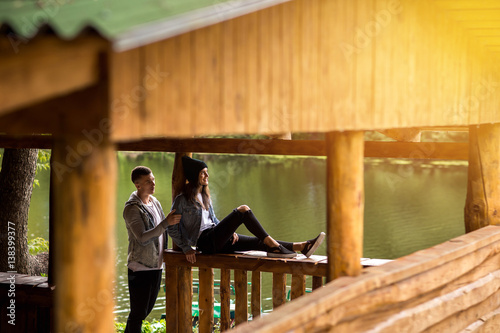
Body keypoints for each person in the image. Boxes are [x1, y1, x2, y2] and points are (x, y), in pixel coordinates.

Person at [168, 156, 325, 263]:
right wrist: (186, 248)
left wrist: (229, 231)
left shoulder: (205, 197)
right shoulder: (182, 201)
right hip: (205, 242)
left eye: (206, 172)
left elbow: (214, 221)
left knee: (258, 241)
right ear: (194, 175)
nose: (207, 175)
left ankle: (302, 246)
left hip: (216, 237)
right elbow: (171, 228)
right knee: (243, 210)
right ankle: (274, 245)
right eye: (203, 173)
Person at [123, 166, 181, 333]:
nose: (153, 183)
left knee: (144, 311)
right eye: (148, 181)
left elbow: (166, 228)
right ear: (137, 185)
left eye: (153, 180)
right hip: (140, 267)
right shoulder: (132, 208)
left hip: (156, 265)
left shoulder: (154, 202)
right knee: (138, 313)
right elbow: (142, 237)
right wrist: (166, 223)